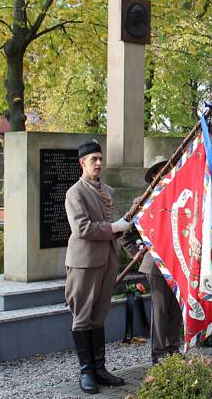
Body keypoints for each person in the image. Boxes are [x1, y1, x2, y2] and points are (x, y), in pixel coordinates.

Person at [64, 140, 132, 394]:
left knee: (99, 314)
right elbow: (81, 228)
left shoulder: (108, 191)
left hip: (107, 260)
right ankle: (86, 372)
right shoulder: (75, 193)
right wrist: (114, 228)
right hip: (84, 262)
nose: (98, 163)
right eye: (93, 159)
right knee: (82, 316)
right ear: (82, 163)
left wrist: (124, 225)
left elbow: (109, 224)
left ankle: (100, 368)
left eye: (100, 159)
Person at [121, 155, 183, 364]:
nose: (163, 175)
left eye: (166, 171)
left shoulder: (179, 197)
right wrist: (139, 257)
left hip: (177, 262)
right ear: (154, 176)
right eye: (159, 171)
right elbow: (126, 235)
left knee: (175, 307)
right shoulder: (142, 202)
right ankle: (158, 353)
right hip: (155, 265)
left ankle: (174, 349)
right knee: (160, 309)